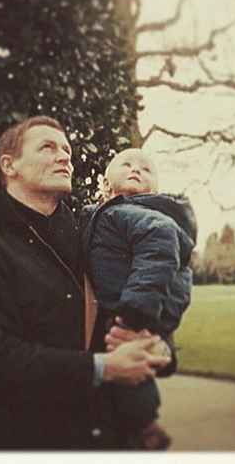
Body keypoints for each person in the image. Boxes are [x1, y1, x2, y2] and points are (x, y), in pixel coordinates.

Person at [0, 116, 171, 449]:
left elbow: (144, 302)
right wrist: (102, 367)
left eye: (67, 151)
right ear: (9, 165)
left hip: (111, 441)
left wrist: (159, 348)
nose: (64, 158)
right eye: (48, 147)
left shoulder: (93, 235)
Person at [81, 148, 197, 449]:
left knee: (128, 362)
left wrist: (135, 311)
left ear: (153, 190)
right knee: (129, 365)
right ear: (105, 183)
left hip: (130, 308)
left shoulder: (134, 214)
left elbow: (160, 250)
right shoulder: (102, 214)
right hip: (125, 310)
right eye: (127, 164)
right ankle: (145, 425)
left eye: (146, 169)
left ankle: (144, 425)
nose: (136, 169)